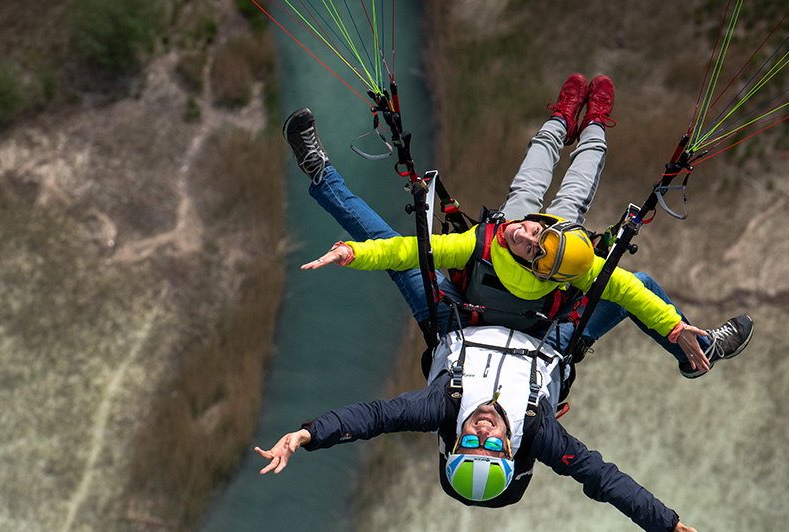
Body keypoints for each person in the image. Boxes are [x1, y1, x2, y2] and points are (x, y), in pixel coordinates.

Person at [255, 75, 731, 532]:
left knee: (394, 252)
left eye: (469, 443)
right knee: (642, 287)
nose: (482, 430)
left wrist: (306, 435)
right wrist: (671, 527)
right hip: (548, 332)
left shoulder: (441, 408)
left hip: (457, 315)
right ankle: (697, 351)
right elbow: (604, 480)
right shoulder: (539, 433)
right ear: (510, 450)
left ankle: (319, 172)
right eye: (492, 445)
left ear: (454, 444)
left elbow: (373, 417)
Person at [285, 73, 753, 378]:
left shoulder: (483, 243)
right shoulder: (532, 246)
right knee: (577, 197)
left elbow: (407, 251)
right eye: (536, 230)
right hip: (540, 338)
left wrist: (354, 253)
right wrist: (674, 328)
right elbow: (631, 290)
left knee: (389, 244)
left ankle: (320, 174)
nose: (524, 231)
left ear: (540, 266)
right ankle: (581, 122)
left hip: (455, 322)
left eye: (530, 242)